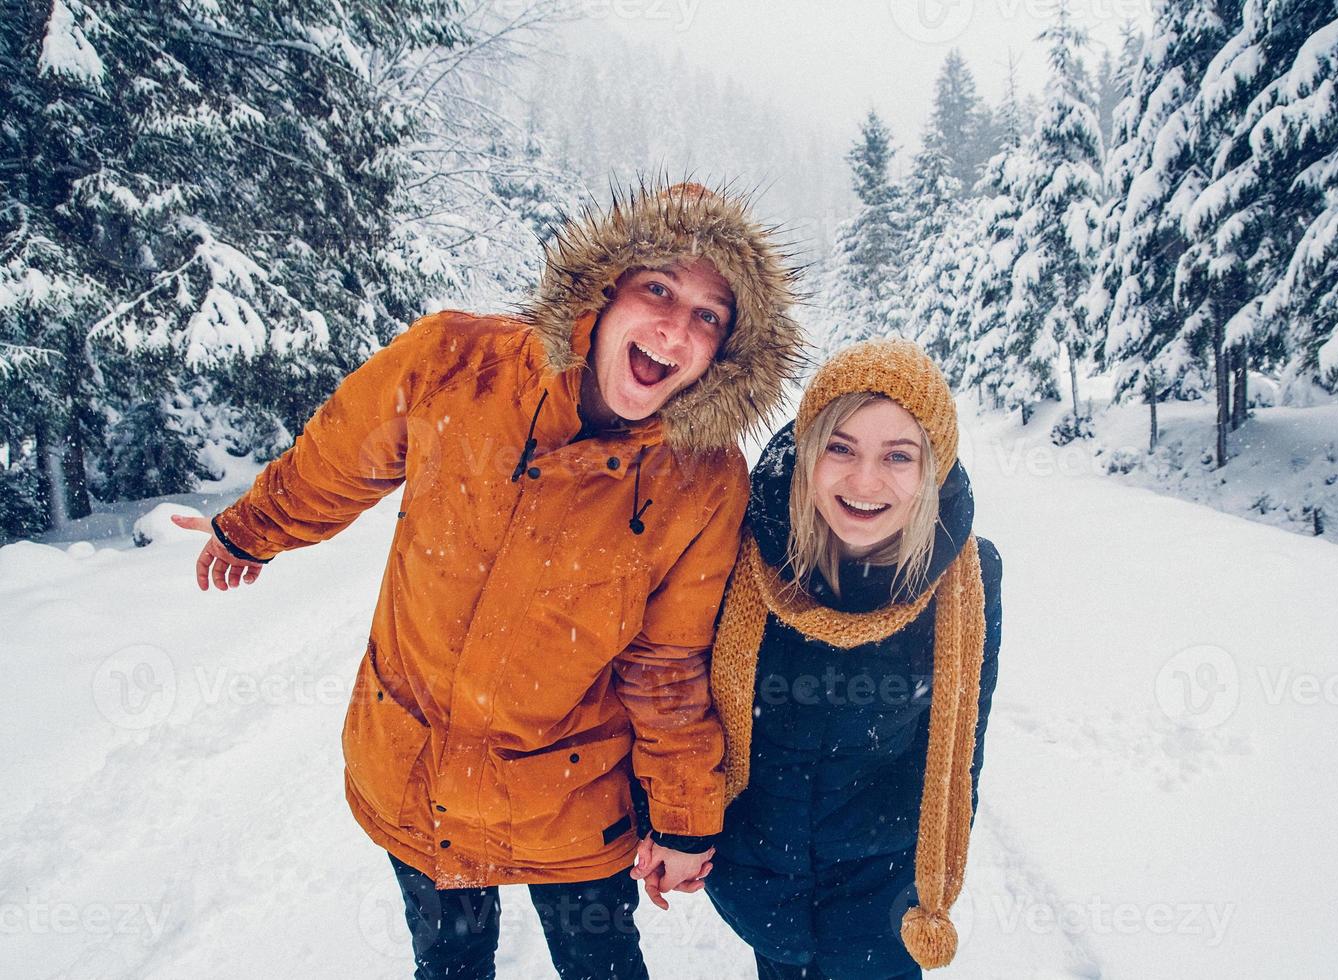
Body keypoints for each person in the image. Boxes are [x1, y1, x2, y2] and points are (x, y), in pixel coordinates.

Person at [172, 180, 804, 979]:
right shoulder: (458, 362)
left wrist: (682, 817)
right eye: (659, 287)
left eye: (709, 316)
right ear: (604, 289)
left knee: (602, 965)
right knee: (450, 961)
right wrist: (253, 528)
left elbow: (667, 664)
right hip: (417, 771)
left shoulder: (704, 482)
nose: (675, 327)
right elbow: (337, 457)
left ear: (723, 355)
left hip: (574, 801)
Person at [706, 338, 1003, 978]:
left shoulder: (964, 580)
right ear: (809, 453)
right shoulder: (743, 547)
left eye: (899, 456)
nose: (865, 482)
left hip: (882, 896)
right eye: (840, 447)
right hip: (765, 875)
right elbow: (681, 692)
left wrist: (929, 877)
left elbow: (958, 745)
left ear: (933, 470)